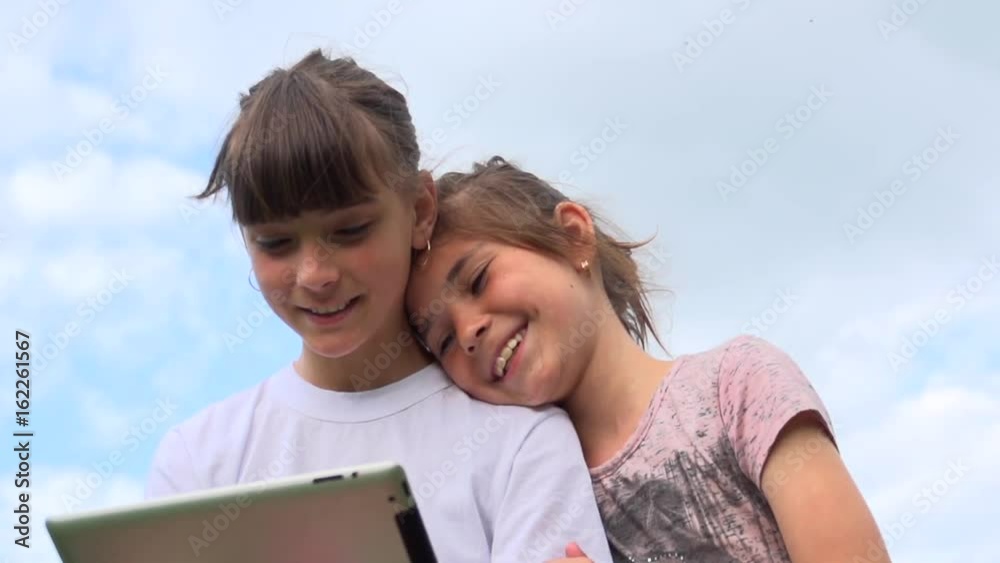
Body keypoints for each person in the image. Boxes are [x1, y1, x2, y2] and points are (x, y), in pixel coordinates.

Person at [145, 51, 613, 563]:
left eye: (350, 230)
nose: (315, 275)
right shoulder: (198, 461)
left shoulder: (522, 443)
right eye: (276, 243)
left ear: (420, 211)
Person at [405, 156, 892, 563]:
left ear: (573, 236)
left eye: (478, 280)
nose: (467, 333)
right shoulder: (523, 490)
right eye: (443, 341)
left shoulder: (737, 384)